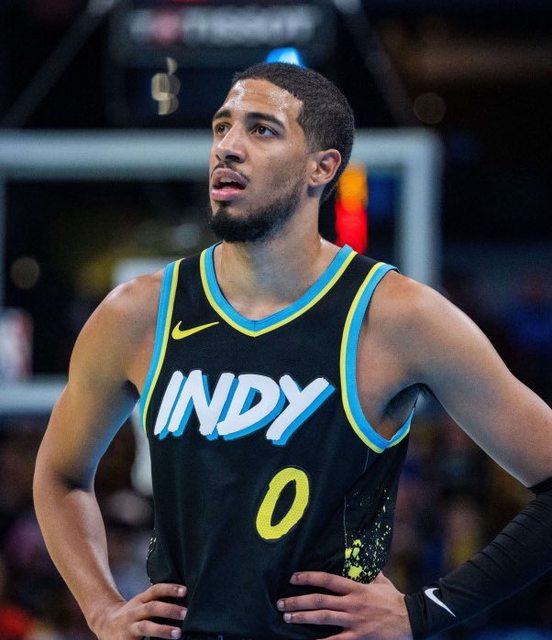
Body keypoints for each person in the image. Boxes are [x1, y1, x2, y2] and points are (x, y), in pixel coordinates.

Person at [33, 62, 552, 640]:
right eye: (222, 126)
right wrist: (102, 608)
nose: (228, 147)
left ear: (321, 168)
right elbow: (60, 475)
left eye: (261, 129)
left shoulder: (399, 317)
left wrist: (427, 611)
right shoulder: (138, 313)